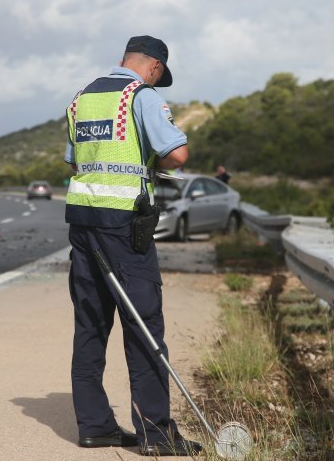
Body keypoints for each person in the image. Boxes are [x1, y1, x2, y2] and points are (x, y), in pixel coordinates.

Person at [63, 35, 202, 457]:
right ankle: (156, 435)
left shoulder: (81, 97)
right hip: (123, 227)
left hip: (82, 221)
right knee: (144, 324)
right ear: (154, 67)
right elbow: (177, 154)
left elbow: (74, 160)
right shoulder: (141, 96)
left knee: (91, 325)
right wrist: (152, 163)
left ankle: (95, 426)